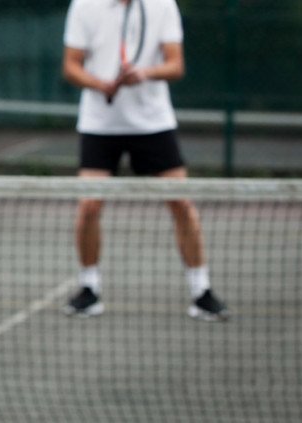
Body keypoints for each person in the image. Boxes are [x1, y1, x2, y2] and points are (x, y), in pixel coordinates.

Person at [60, 0, 227, 321]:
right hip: (100, 123)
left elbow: (176, 65)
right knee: (89, 206)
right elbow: (71, 65)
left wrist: (145, 73)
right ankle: (89, 289)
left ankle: (201, 290)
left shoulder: (163, 5)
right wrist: (100, 84)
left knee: (181, 203)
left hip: (153, 122)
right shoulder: (84, 6)